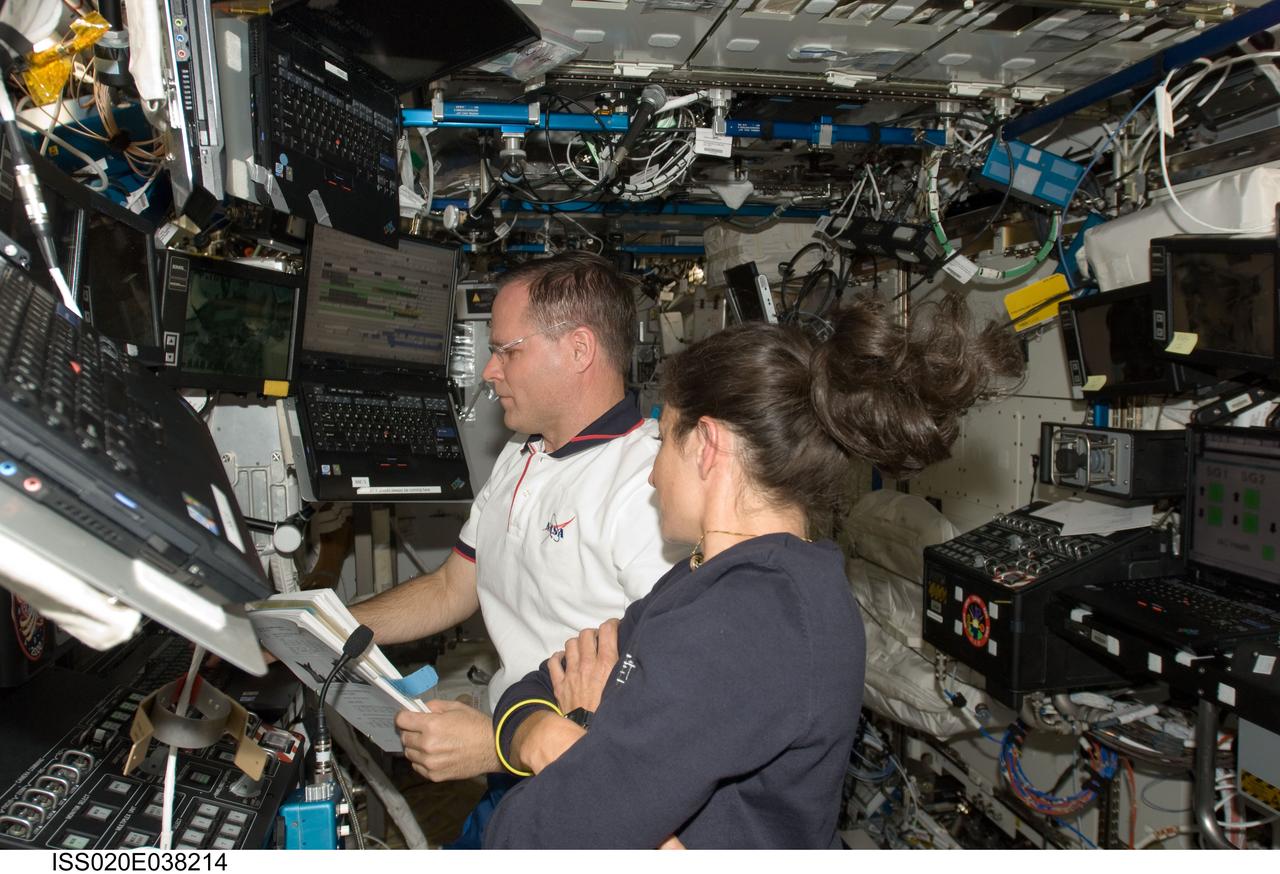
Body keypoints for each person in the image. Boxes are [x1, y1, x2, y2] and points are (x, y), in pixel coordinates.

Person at [483, 291, 1024, 848]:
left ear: (708, 445)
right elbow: (530, 688)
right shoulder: (718, 576)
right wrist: (554, 732)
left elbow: (538, 834)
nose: (651, 476)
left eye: (665, 440)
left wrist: (578, 723)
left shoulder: (753, 621)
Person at [347, 253, 678, 795]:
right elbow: (453, 587)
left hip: (584, 776)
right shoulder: (521, 453)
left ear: (578, 349)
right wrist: (331, 629)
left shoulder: (649, 482)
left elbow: (665, 683)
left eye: (506, 351)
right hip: (516, 761)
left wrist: (494, 747)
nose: (488, 369)